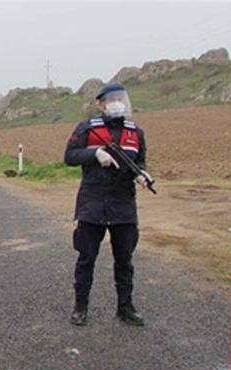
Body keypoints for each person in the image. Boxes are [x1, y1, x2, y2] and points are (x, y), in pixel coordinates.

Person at [63, 82, 153, 327]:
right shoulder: (87, 128)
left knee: (125, 260)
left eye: (120, 98)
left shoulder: (136, 132)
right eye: (110, 99)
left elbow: (140, 161)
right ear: (101, 104)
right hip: (92, 204)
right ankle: (80, 307)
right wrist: (95, 154)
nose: (116, 103)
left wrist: (142, 175)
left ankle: (126, 307)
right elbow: (69, 156)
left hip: (123, 205)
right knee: (86, 258)